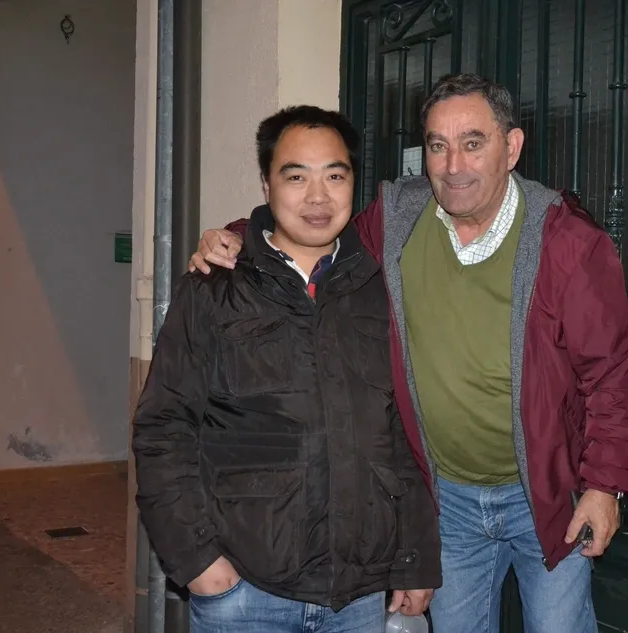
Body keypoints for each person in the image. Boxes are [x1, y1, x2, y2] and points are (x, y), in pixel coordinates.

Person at [191, 74, 628, 633]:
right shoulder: (398, 218)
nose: (453, 165)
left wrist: (603, 485)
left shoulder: (567, 242)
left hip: (547, 499)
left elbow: (614, 375)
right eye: (437, 145)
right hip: (446, 500)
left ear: (511, 147)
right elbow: (317, 234)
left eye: (473, 143)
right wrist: (241, 235)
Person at [132, 105, 440, 633]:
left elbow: (397, 431)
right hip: (245, 593)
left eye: (335, 176)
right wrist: (198, 561)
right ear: (267, 185)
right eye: (296, 177)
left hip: (359, 598)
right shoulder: (214, 289)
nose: (318, 197)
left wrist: (413, 559)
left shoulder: (377, 290)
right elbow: (163, 428)